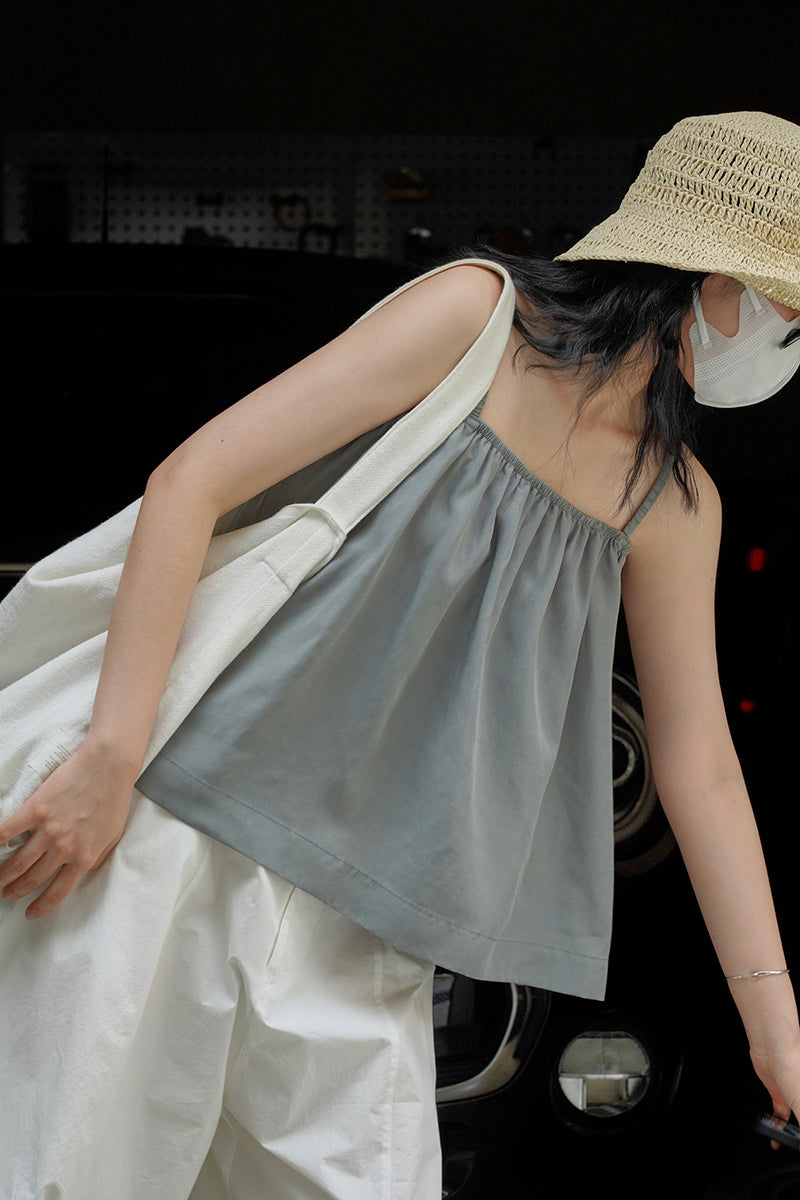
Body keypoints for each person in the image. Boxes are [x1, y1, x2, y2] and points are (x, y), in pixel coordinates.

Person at [1, 109, 800, 1199]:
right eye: (790, 314)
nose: (787, 348)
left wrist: (772, 1014)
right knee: (79, 1176)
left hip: (367, 917)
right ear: (716, 280)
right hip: (176, 830)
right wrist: (109, 757)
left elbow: (698, 762)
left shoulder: (673, 502)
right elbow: (192, 480)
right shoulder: (475, 316)